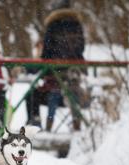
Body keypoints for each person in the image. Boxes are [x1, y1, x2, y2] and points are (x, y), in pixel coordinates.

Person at [36, 0, 85, 131]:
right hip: (73, 67)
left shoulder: (53, 24)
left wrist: (44, 65)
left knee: (54, 94)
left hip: (54, 67)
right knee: (73, 94)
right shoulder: (77, 24)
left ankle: (49, 126)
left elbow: (47, 49)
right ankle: (77, 123)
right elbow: (81, 47)